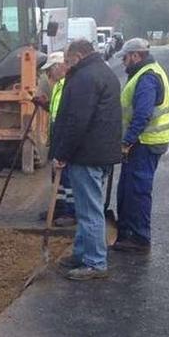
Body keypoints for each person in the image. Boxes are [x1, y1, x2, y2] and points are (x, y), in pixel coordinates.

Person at [50, 40, 122, 281]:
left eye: (69, 62)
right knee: (85, 208)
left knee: (90, 210)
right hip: (98, 152)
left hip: (88, 154)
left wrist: (62, 153)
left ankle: (95, 262)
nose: (67, 67)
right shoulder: (103, 72)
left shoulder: (85, 79)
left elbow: (77, 121)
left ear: (78, 56)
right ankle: (82, 254)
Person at [113, 38, 169, 254]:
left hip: (145, 143)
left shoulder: (146, 78)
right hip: (144, 143)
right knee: (129, 188)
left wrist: (127, 141)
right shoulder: (148, 72)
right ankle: (129, 231)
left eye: (125, 58)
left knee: (138, 190)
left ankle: (139, 237)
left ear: (136, 55)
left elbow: (143, 114)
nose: (123, 62)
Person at [33, 51, 75, 226]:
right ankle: (57, 207)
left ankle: (70, 212)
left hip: (65, 136)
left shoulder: (69, 84)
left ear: (60, 67)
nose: (49, 73)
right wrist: (43, 104)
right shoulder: (58, 85)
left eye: (51, 69)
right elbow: (57, 110)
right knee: (56, 176)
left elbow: (70, 114)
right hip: (57, 135)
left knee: (67, 178)